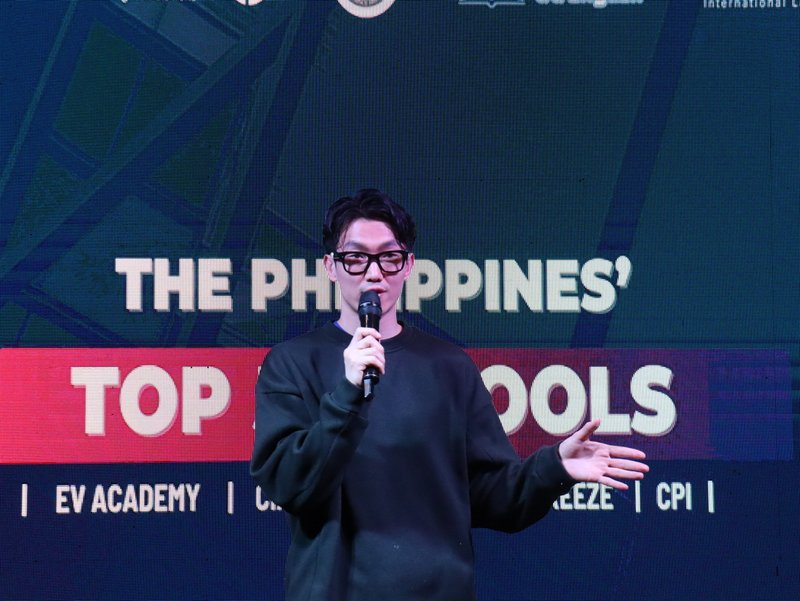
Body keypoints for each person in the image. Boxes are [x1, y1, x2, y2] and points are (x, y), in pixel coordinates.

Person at [250, 189, 648, 601]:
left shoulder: (449, 366)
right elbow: (288, 485)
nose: (374, 273)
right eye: (356, 258)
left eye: (389, 257)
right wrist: (348, 394)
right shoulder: (293, 363)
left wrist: (554, 467)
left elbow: (492, 497)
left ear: (408, 266)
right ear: (331, 267)